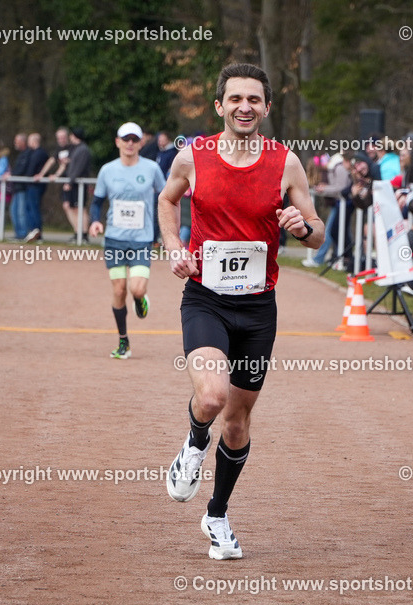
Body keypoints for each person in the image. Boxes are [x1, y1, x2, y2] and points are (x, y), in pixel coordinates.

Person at [158, 63, 324, 560]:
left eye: (254, 99)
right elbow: (167, 202)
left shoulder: (286, 164)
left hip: (257, 309)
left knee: (237, 421)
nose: (244, 107)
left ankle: (217, 515)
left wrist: (301, 226)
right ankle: (192, 445)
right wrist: (173, 246)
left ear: (267, 108)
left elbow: (317, 233)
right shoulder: (193, 157)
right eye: (235, 99)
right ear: (219, 106)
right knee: (210, 397)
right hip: (206, 298)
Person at [88, 121, 166, 359]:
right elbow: (97, 202)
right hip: (114, 240)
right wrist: (95, 221)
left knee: (136, 288)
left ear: (141, 142)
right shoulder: (107, 170)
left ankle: (141, 299)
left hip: (142, 240)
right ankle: (124, 341)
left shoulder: (152, 169)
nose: (130, 143)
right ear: (118, 142)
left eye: (135, 139)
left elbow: (165, 198)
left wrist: (164, 231)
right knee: (119, 289)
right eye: (126, 139)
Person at [62, 127, 92, 243]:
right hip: (74, 182)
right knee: (72, 207)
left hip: (78, 183)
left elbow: (79, 167)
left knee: (80, 208)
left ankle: (83, 234)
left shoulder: (83, 149)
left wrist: (70, 181)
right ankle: (77, 232)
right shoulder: (76, 149)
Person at [23, 132, 52, 242]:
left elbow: (32, 169)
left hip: (36, 186)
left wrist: (29, 176)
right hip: (30, 185)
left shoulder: (40, 154)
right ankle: (33, 231)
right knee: (29, 208)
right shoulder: (32, 153)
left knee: (34, 208)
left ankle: (37, 232)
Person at [8, 133, 31, 240]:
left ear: (23, 142)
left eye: (17, 141)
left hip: (22, 188)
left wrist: (11, 175)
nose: (15, 143)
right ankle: (18, 234)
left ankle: (23, 234)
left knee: (21, 212)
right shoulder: (21, 155)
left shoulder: (27, 154)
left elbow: (21, 170)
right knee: (13, 211)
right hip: (16, 188)